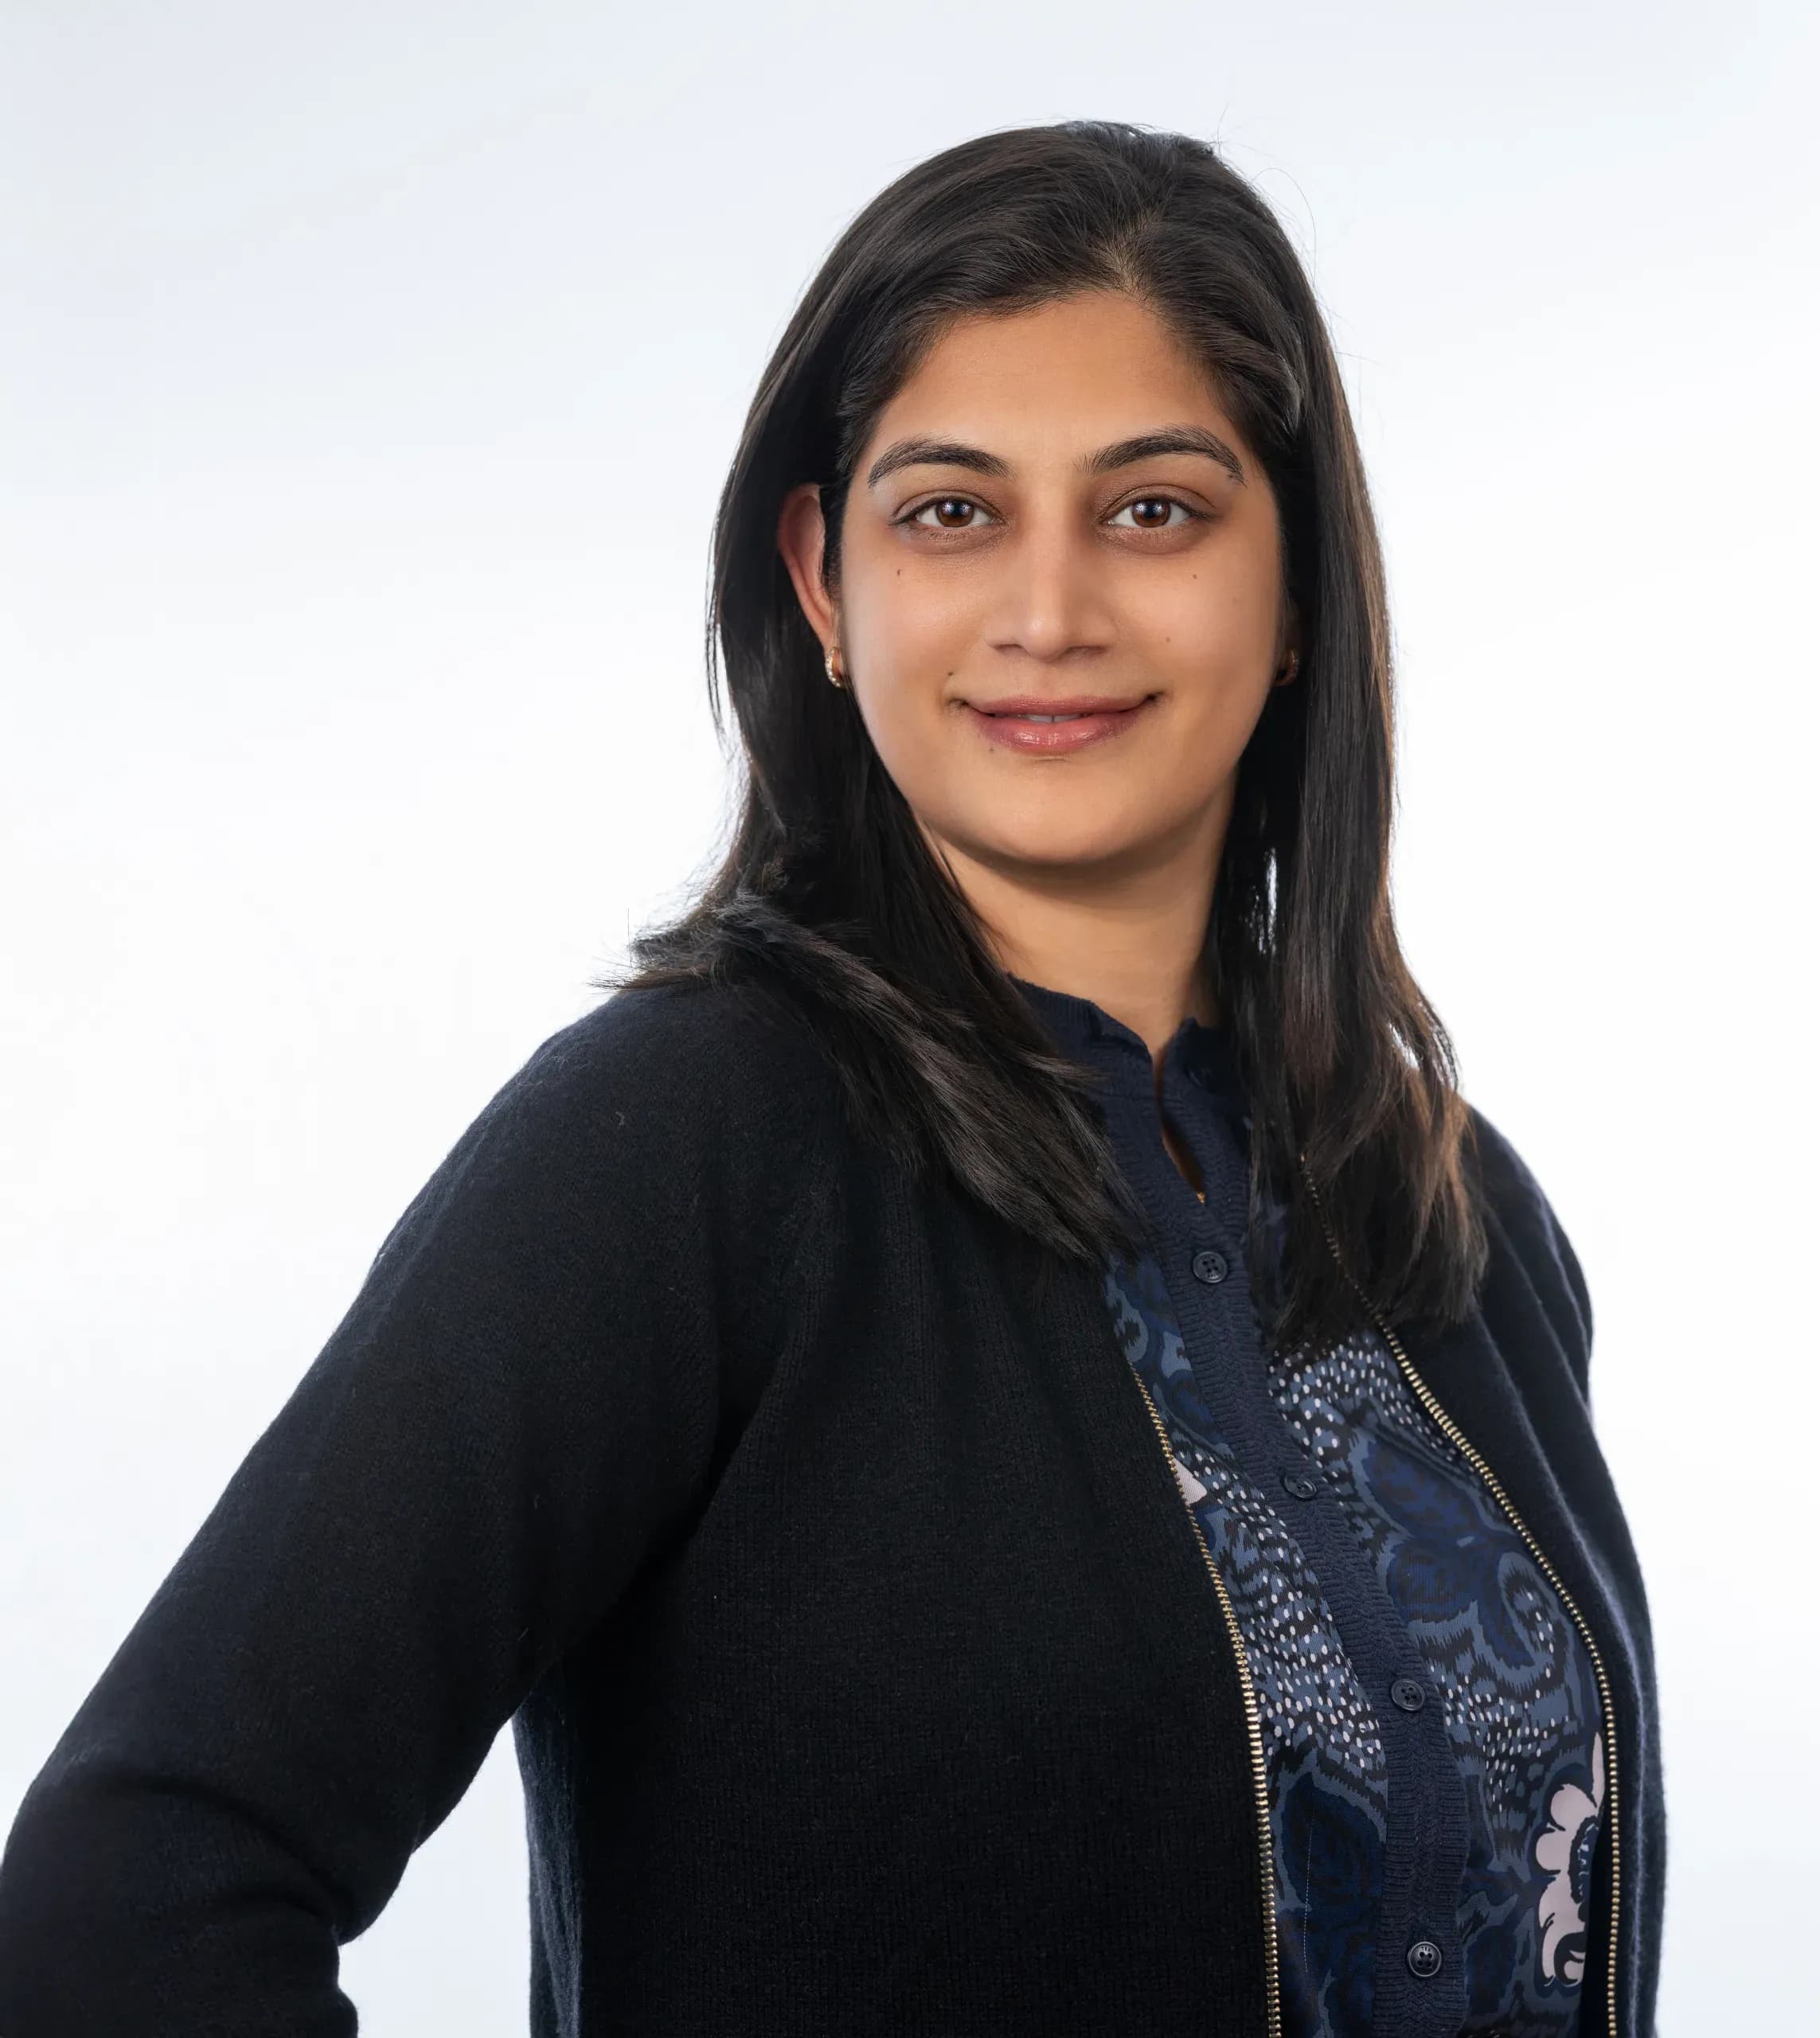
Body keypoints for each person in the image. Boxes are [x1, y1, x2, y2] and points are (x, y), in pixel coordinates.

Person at [0, 120, 1661, 2036]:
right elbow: (125, 1906)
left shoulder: (1458, 1217)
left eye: (1152, 510)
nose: (1050, 610)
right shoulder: (676, 1149)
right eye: (950, 511)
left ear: (1294, 588)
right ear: (818, 576)